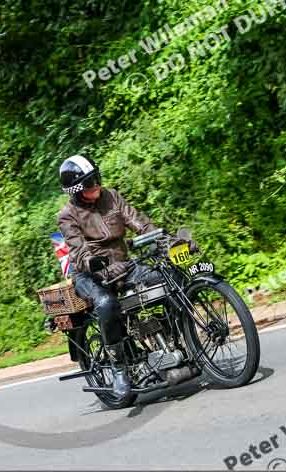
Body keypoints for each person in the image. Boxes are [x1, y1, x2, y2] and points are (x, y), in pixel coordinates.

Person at [57, 155, 197, 400]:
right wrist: (93, 263)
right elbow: (78, 250)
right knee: (106, 304)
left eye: (97, 179)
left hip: (124, 265)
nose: (97, 186)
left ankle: (178, 342)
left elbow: (140, 224)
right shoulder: (68, 215)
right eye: (90, 183)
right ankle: (119, 369)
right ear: (77, 190)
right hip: (90, 275)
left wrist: (169, 242)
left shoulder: (111, 196)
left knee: (168, 278)